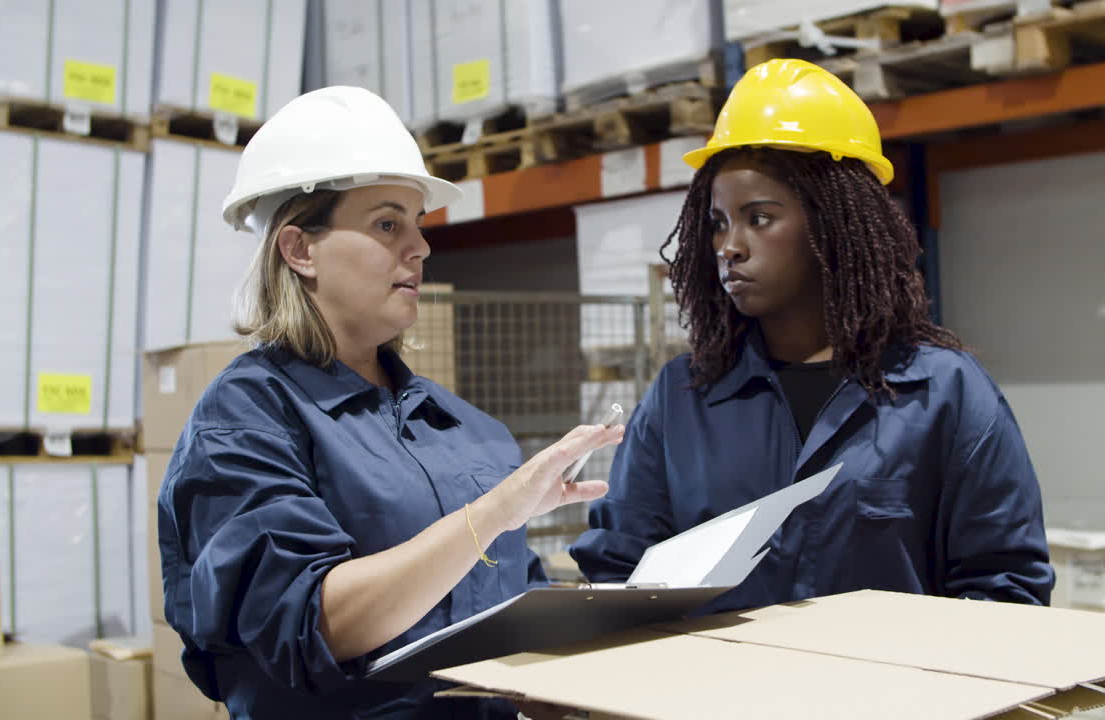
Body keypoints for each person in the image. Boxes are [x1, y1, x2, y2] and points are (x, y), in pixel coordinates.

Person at [155, 86, 623, 720]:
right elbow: (313, 622)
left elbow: (514, 596)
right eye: (386, 223)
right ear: (299, 249)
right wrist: (494, 513)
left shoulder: (463, 429)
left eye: (416, 224)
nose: (420, 248)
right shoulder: (248, 417)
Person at [570, 59, 1053, 612]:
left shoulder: (944, 393)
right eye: (719, 222)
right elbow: (619, 570)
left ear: (834, 224)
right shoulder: (682, 400)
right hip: (713, 699)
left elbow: (1005, 586)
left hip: (892, 697)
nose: (730, 246)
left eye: (759, 217)